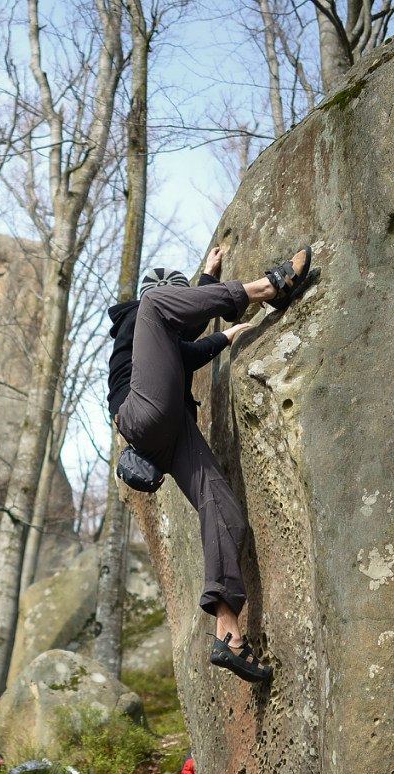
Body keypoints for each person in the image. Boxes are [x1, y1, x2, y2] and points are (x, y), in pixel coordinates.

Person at [107, 245, 312, 683]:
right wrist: (209, 280)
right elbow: (177, 318)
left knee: (223, 511)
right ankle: (269, 286)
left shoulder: (165, 340)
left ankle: (229, 635)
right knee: (157, 307)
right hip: (141, 412)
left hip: (170, 430)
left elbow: (186, 350)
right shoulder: (138, 314)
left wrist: (229, 335)